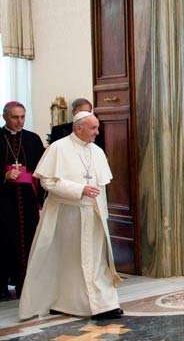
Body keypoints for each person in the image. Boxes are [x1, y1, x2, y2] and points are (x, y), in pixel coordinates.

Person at [19, 112, 122, 320]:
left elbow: (102, 185)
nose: (97, 132)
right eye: (93, 128)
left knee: (96, 261)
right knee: (70, 261)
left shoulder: (97, 151)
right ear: (79, 128)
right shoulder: (59, 148)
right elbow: (48, 182)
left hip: (93, 215)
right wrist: (79, 189)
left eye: (97, 128)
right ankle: (65, 302)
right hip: (67, 215)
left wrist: (103, 213)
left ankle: (104, 303)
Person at [1, 101, 44, 300]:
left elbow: (43, 170)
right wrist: (4, 176)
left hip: (28, 201)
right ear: (4, 117)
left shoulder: (33, 139)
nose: (19, 121)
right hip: (4, 202)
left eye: (22, 117)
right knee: (5, 241)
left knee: (29, 239)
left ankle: (26, 285)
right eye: (14, 117)